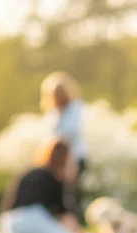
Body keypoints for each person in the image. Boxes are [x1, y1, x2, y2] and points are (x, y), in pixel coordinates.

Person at [0, 139, 96, 233]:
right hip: (33, 217)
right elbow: (66, 219)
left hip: (7, 220)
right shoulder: (55, 178)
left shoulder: (30, 172)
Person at [40, 71, 87, 222]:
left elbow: (70, 133)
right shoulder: (52, 112)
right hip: (54, 160)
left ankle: (74, 221)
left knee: (71, 193)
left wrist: (68, 162)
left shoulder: (75, 108)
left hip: (73, 157)